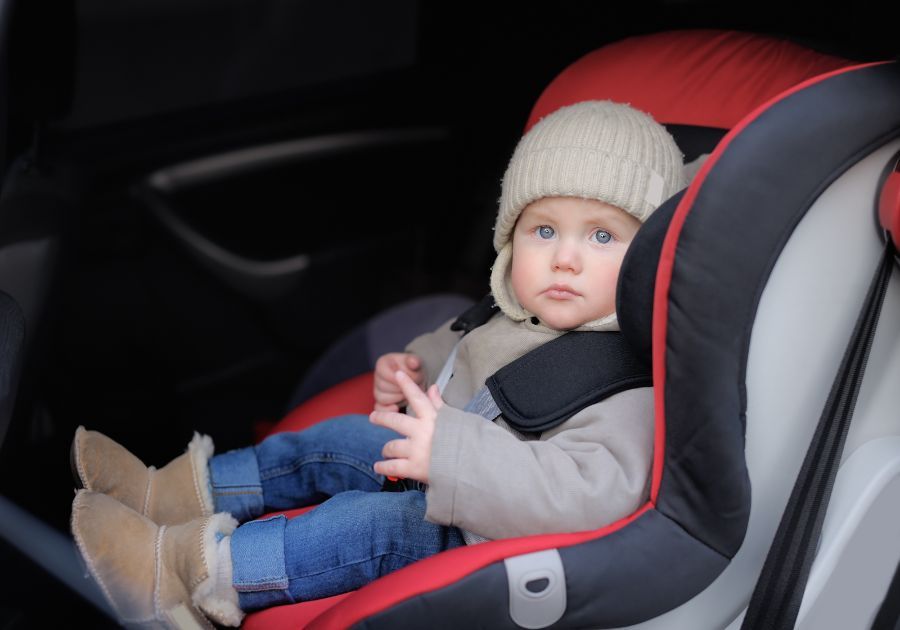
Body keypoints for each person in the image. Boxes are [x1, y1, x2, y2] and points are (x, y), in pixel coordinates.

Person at [69, 100, 685, 628]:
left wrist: (451, 457)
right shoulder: (512, 311)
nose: (565, 259)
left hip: (488, 533)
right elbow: (456, 346)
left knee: (364, 526)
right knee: (331, 442)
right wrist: (410, 369)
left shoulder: (625, 380)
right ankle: (175, 491)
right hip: (439, 460)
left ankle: (190, 575)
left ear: (650, 259)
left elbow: (596, 498)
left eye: (602, 236)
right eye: (543, 230)